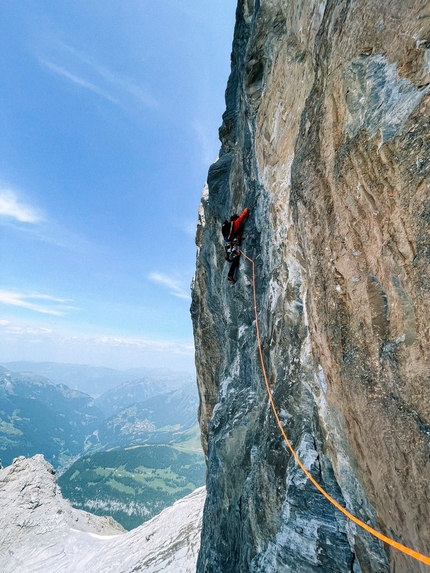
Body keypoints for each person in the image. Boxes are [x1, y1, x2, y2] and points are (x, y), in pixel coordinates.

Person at [221, 207, 249, 283]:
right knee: (236, 258)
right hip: (235, 241)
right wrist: (246, 209)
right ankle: (230, 275)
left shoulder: (229, 227)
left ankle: (227, 254)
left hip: (229, 241)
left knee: (229, 247)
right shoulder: (236, 222)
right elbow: (244, 214)